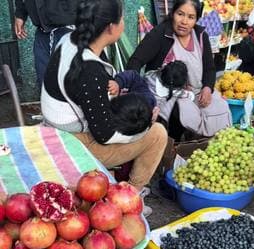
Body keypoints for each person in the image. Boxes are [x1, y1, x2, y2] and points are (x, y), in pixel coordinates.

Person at [41, 0, 168, 215]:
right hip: (72, 142)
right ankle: (130, 199)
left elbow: (84, 93)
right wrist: (146, 124)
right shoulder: (90, 70)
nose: (123, 23)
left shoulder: (69, 40)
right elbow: (105, 135)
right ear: (110, 27)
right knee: (158, 134)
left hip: (57, 127)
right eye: (121, 18)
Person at [127, 0, 232, 141]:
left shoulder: (201, 36)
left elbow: (209, 68)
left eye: (191, 17)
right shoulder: (161, 34)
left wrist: (207, 88)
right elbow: (135, 61)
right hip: (168, 94)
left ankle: (199, 145)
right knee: (183, 113)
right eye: (180, 14)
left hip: (197, 92)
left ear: (196, 19)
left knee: (221, 107)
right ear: (172, 13)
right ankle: (176, 143)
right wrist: (139, 91)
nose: (184, 21)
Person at [14, 0, 79, 87]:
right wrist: (20, 13)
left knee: (74, 84)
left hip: (70, 30)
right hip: (42, 32)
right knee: (45, 84)